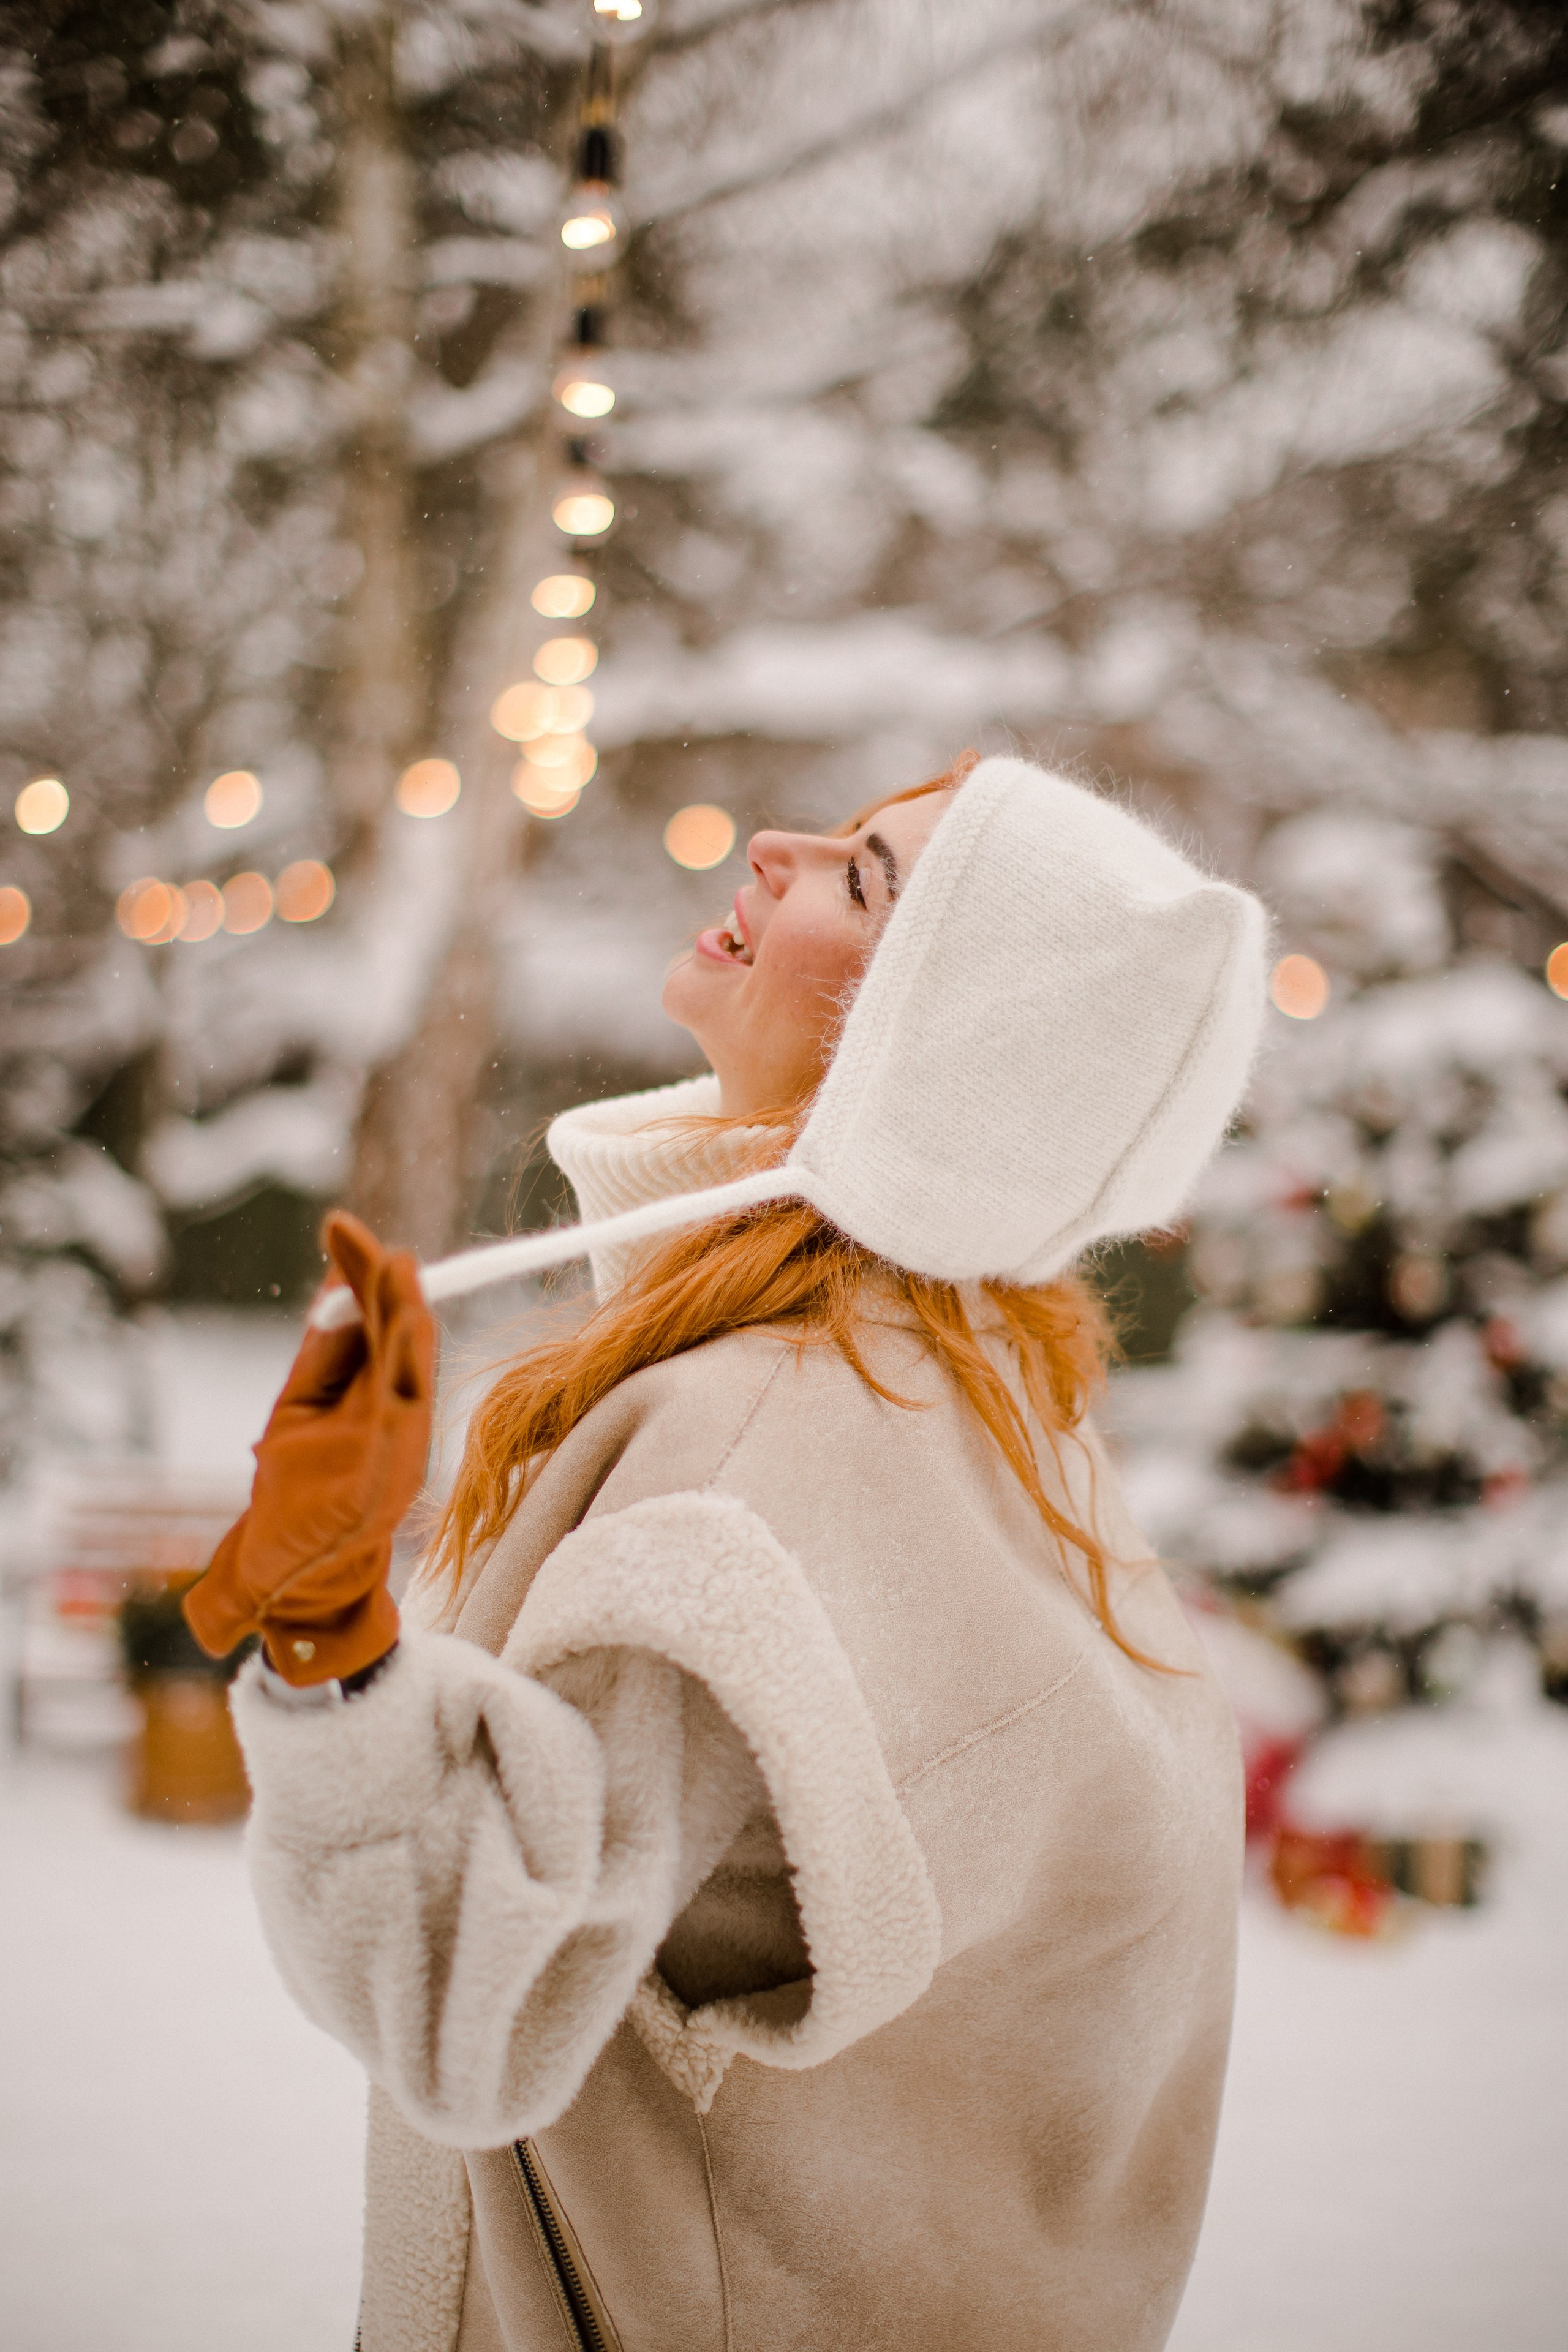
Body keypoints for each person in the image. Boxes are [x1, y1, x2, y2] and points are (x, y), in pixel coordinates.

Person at [186, 751, 1267, 2352]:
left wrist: (327, 1646)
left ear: (942, 1049)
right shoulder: (998, 1408)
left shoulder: (754, 1450)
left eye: (865, 879)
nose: (775, 848)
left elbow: (472, 2000)